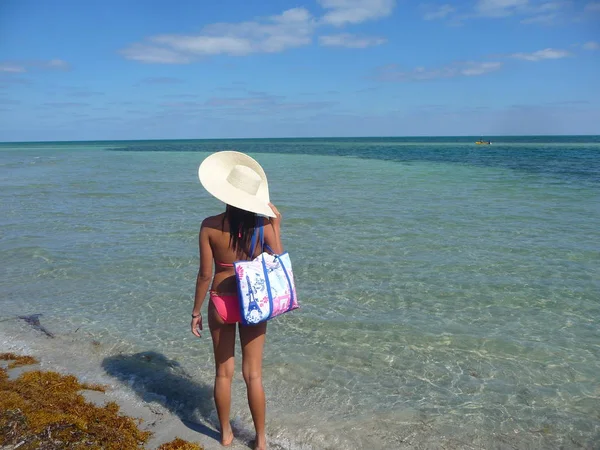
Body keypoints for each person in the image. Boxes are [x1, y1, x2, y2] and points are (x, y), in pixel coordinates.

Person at [191, 151, 283, 450]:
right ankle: (260, 440)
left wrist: (195, 311)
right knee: (253, 374)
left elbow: (205, 274)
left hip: (220, 299)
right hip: (254, 301)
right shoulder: (264, 226)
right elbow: (278, 263)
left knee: (223, 372)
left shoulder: (209, 225)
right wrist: (276, 226)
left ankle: (226, 434)